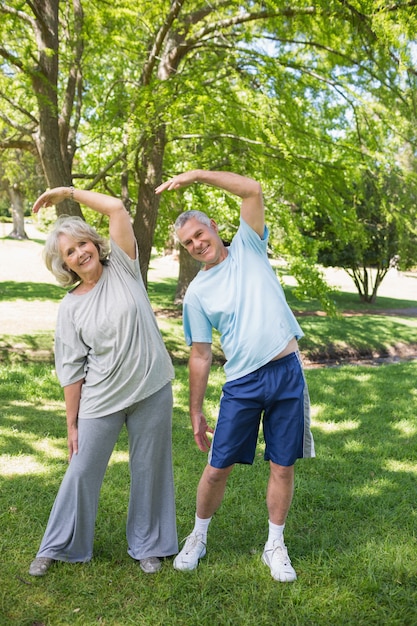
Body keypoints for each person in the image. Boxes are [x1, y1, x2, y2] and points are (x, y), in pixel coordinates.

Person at [155, 170, 315, 582]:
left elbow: (252, 189)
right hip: (242, 384)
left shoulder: (248, 244)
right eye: (187, 243)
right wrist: (195, 411)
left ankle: (275, 545)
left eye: (199, 234)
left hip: (286, 373)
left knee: (283, 466)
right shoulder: (198, 293)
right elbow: (201, 354)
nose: (196, 244)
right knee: (217, 467)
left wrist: (196, 176)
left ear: (214, 226)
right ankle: (198, 535)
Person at [28, 186, 178, 576]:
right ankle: (57, 546)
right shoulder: (71, 306)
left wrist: (65, 192)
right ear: (65, 265)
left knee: (150, 468)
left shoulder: (125, 266)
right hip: (101, 396)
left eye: (83, 243)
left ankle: (149, 545)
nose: (80, 252)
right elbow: (72, 369)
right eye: (70, 252)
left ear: (94, 242)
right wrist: (72, 423)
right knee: (81, 470)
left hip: (151, 388)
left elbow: (115, 207)